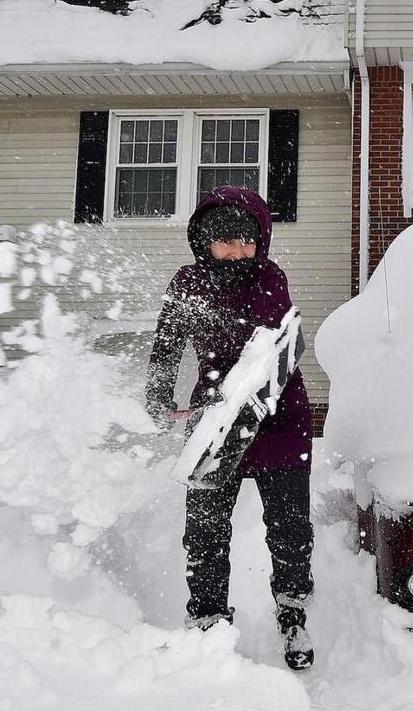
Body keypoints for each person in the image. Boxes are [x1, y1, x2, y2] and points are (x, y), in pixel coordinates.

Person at [145, 186, 315, 671]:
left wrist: (222, 398)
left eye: (246, 241)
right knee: (205, 530)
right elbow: (167, 345)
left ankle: (292, 607)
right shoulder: (187, 282)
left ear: (261, 242)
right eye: (224, 241)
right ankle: (207, 616)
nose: (236, 251)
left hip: (278, 417)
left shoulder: (269, 278)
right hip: (214, 422)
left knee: (288, 528)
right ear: (204, 242)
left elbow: (262, 350)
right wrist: (159, 395)